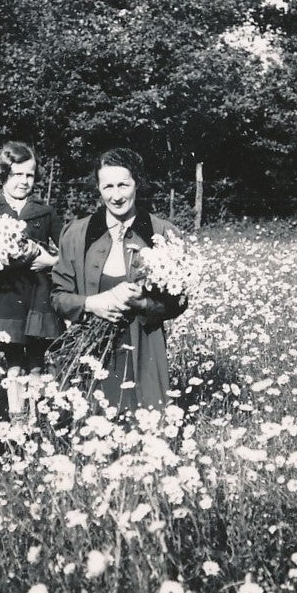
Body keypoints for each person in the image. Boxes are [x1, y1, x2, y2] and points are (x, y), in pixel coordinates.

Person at [51, 147, 186, 413]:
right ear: (98, 188)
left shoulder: (163, 233)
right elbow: (58, 297)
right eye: (107, 186)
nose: (116, 196)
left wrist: (144, 303)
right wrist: (91, 303)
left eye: (123, 185)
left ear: (137, 184)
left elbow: (179, 301)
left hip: (144, 351)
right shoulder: (77, 233)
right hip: (91, 353)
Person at [0, 141, 63, 423]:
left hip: (39, 296)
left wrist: (50, 260)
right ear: (3, 175)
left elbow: (69, 254)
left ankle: (35, 421)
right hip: (5, 297)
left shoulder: (45, 212)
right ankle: (15, 422)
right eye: (17, 175)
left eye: (29, 175)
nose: (24, 181)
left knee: (37, 361)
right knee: (12, 363)